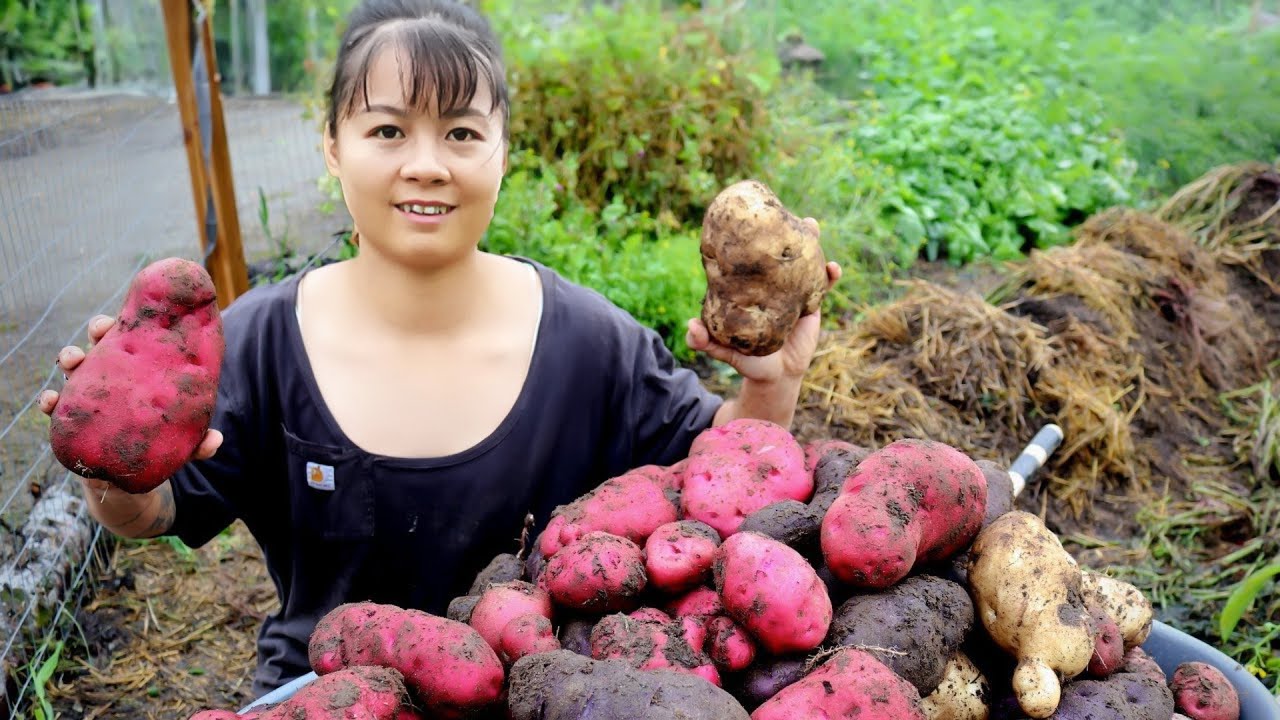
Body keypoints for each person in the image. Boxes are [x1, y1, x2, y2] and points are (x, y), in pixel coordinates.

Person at [39, 0, 840, 699]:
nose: (425, 164)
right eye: (387, 129)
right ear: (332, 147)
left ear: (502, 151)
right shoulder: (260, 339)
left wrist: (771, 385)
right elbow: (156, 512)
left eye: (461, 131)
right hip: (322, 694)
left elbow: (726, 477)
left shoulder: (590, 343)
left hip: (547, 691)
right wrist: (116, 473)